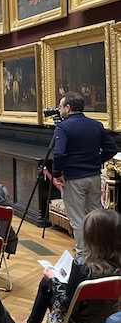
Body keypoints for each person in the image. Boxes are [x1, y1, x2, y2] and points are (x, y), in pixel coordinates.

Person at [19, 208, 121, 323]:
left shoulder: (83, 264)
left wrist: (53, 279)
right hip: (113, 321)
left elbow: (67, 303)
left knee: (47, 282)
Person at [52, 92, 118, 255]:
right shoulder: (96, 125)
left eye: (61, 107)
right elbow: (112, 149)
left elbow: (59, 154)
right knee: (96, 217)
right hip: (94, 178)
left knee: (78, 219)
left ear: (68, 108)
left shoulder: (63, 127)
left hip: (73, 179)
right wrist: (96, 161)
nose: (59, 110)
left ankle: (83, 255)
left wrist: (57, 172)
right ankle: (101, 252)